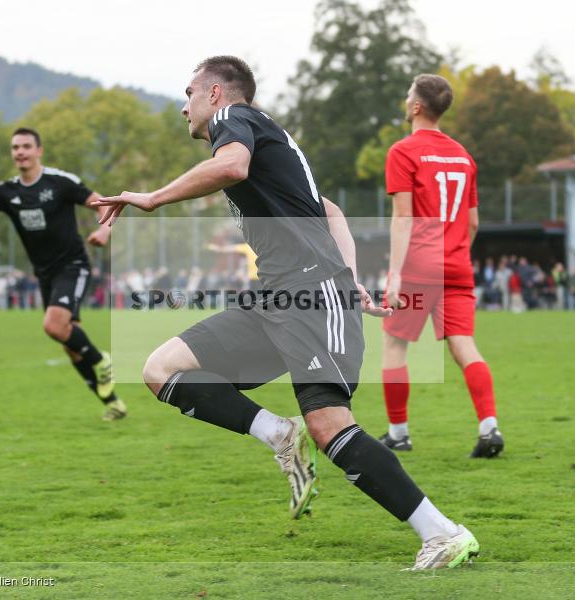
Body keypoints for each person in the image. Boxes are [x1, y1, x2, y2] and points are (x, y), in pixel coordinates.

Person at [92, 56, 479, 570]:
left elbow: (232, 166)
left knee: (330, 425)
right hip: (278, 297)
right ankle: (279, 433)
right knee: (161, 369)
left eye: (189, 94)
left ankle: (443, 533)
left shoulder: (233, 119)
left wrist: (153, 198)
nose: (184, 107)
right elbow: (330, 210)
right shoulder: (265, 137)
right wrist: (352, 277)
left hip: (311, 293)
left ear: (215, 94)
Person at [0, 127, 126, 421]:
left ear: (38, 151)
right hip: (44, 275)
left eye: (25, 146)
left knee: (53, 326)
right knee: (71, 347)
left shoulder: (60, 182)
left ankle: (102, 361)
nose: (20, 152)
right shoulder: (7, 192)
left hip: (73, 265)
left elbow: (104, 205)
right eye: (15, 147)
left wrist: (103, 231)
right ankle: (113, 402)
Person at [380, 73, 503, 458]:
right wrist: (455, 255)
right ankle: (489, 427)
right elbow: (473, 222)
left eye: (408, 95)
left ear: (417, 106)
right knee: (464, 345)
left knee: (394, 345)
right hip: (457, 265)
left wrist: (396, 274)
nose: (405, 100)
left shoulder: (403, 151)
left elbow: (403, 217)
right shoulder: (463, 156)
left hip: (418, 266)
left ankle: (398, 434)